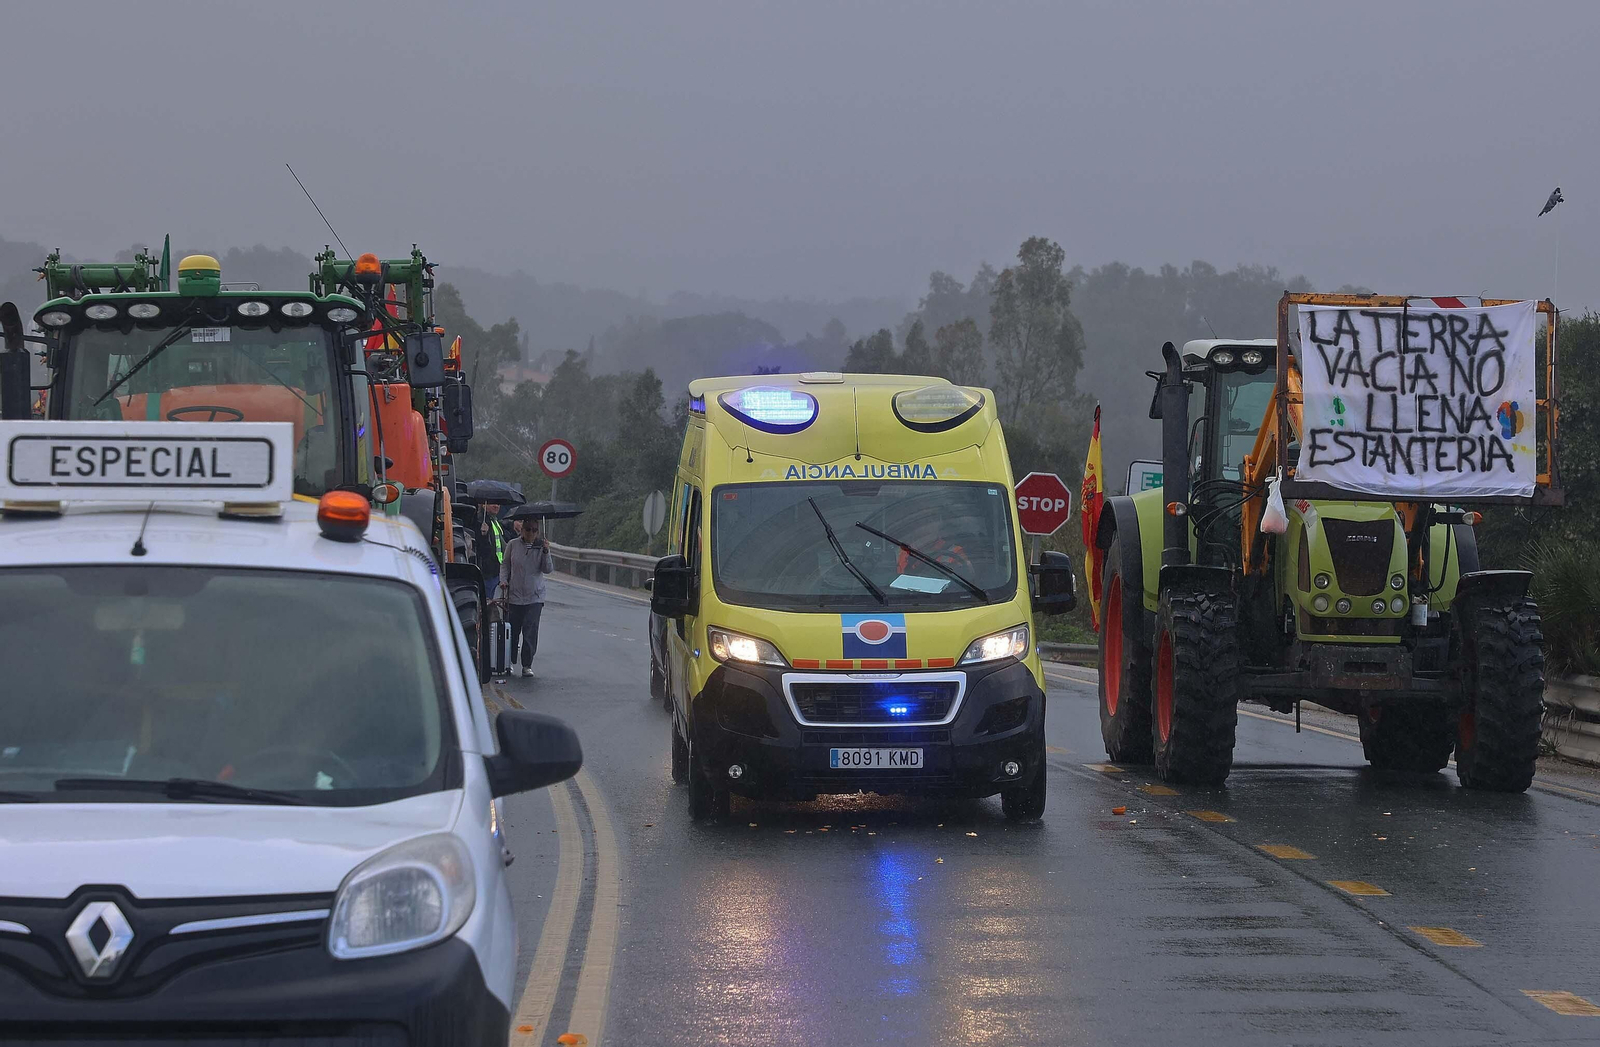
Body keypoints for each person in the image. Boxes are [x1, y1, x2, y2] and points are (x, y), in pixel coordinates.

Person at [497, 516, 554, 678]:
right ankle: (510, 661)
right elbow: (505, 564)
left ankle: (527, 665)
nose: (531, 533)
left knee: (530, 631)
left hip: (534, 597)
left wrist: (546, 552)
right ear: (522, 530)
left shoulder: (541, 547)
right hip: (514, 596)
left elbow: (548, 569)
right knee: (513, 631)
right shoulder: (513, 545)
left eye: (534, 530)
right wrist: (503, 580)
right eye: (528, 529)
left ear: (538, 532)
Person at [477, 503, 506, 601]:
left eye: (498, 504)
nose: (497, 506)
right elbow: (482, 548)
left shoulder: (495, 521)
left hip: (496, 570)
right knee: (487, 603)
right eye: (493, 503)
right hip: (487, 571)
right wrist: (483, 535)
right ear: (484, 505)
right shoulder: (481, 520)